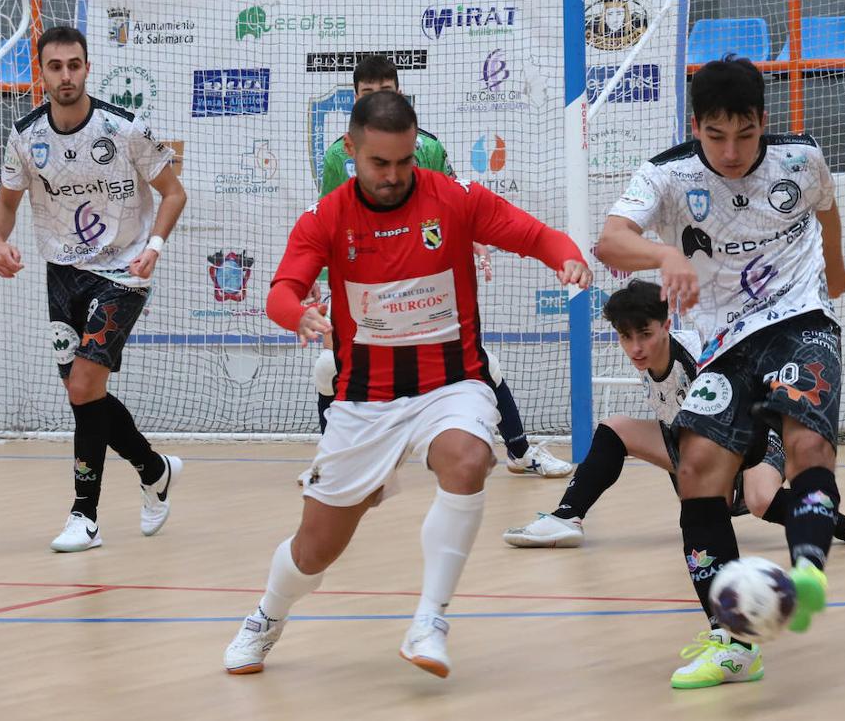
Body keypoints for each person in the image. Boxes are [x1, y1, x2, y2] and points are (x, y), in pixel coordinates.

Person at [223, 90, 592, 677]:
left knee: (469, 460)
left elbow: (535, 235)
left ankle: (430, 619)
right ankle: (267, 616)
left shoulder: (454, 198)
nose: (393, 176)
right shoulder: (326, 217)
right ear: (351, 150)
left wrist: (567, 257)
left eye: (404, 161)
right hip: (363, 400)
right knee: (315, 549)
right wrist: (300, 315)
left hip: (451, 383)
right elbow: (280, 292)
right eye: (379, 164)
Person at [596, 57, 845, 688]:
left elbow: (826, 208)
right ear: (697, 126)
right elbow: (608, 240)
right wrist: (661, 253)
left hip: (799, 320)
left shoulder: (801, 159)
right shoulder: (667, 174)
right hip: (720, 345)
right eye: (717, 136)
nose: (732, 150)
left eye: (745, 134)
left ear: (763, 121)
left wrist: (837, 267)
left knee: (806, 441)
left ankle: (809, 568)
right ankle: (733, 642)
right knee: (696, 475)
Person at [313, 56, 572, 477]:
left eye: (387, 91)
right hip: (362, 285)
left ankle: (521, 452)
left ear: (401, 93)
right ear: (354, 97)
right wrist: (316, 283)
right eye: (368, 93)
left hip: (425, 277)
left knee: (481, 363)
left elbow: (451, 205)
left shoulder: (427, 147)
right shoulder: (335, 157)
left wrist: (473, 242)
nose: (379, 99)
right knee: (331, 368)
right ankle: (336, 464)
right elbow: (325, 223)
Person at [502, 279, 845, 550]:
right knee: (614, 429)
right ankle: (566, 517)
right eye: (626, 337)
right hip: (695, 442)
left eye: (645, 334)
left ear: (666, 324)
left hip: (756, 438)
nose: (636, 347)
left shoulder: (699, 357)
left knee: (761, 500)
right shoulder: (648, 364)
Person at [0, 26, 187, 553]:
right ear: (43, 73)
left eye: (75, 65)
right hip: (61, 275)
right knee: (85, 395)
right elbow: (6, 203)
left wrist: (156, 247)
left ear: (88, 67)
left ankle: (85, 516)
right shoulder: (25, 136)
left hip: (123, 271)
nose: (66, 75)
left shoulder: (124, 129)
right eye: (56, 67)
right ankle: (154, 467)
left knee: (82, 386)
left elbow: (173, 191)